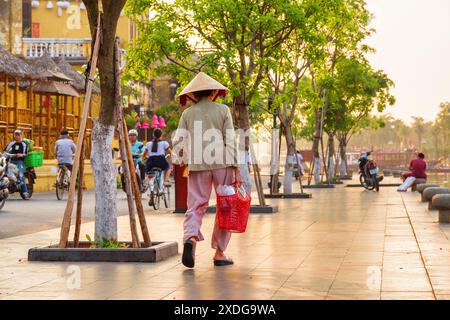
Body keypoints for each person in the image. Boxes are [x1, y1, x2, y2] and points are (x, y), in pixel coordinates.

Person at [173, 72, 242, 268]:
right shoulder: (222, 110)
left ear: (194, 94)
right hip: (222, 163)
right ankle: (220, 253)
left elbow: (179, 140)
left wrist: (182, 160)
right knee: (225, 206)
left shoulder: (187, 114)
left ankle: (191, 239)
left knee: (196, 206)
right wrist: (236, 168)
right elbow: (230, 140)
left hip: (197, 164)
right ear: (213, 92)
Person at [4, 130, 29, 199]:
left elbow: (25, 154)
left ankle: (25, 192)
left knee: (21, 175)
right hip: (11, 161)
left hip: (19, 162)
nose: (17, 136)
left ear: (21, 135)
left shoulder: (24, 145)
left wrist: (21, 155)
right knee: (5, 174)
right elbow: (5, 151)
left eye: (19, 135)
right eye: (16, 134)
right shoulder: (11, 143)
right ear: (14, 135)